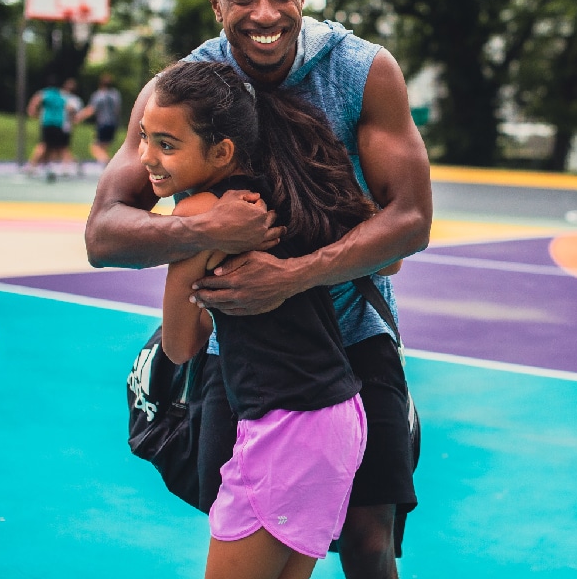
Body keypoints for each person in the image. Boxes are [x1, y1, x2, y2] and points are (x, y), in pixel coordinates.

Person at [85, 0, 433, 579]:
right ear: (215, 4)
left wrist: (294, 274)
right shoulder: (184, 91)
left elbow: (410, 221)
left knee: (367, 540)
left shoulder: (361, 71)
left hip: (353, 334)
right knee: (247, 531)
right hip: (239, 351)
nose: (264, 11)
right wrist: (205, 230)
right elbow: (105, 232)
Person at [145, 59, 402, 579]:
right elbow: (390, 257)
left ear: (222, 151)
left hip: (285, 427)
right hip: (337, 418)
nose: (148, 157)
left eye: (166, 144)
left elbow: (178, 346)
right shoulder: (294, 191)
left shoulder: (200, 214)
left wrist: (193, 255)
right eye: (147, 138)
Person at [26, 77, 84, 180]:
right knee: (57, 147)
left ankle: (32, 166)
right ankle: (50, 167)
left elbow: (35, 102)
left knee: (44, 145)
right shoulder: (61, 96)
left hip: (47, 123)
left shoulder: (45, 93)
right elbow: (69, 109)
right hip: (59, 124)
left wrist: (33, 113)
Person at [79, 72, 122, 166]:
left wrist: (79, 116)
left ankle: (109, 165)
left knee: (95, 148)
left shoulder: (98, 95)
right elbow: (117, 110)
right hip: (113, 123)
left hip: (103, 123)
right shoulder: (115, 94)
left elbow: (91, 109)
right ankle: (107, 165)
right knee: (104, 148)